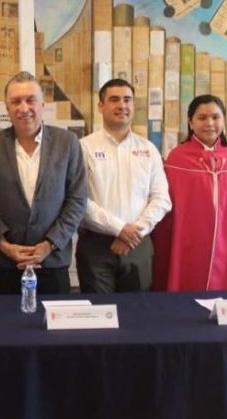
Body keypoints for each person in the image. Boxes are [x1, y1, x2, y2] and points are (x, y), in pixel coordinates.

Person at [0, 71, 87, 294]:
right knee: (3, 317)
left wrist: (49, 245)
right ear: (7, 107)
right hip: (6, 264)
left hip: (53, 261)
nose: (24, 108)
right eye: (16, 101)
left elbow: (77, 201)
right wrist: (5, 246)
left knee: (53, 317)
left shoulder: (67, 143)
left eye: (31, 100)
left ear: (43, 104)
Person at [153, 94, 227, 291]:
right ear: (190, 122)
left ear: (223, 121)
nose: (209, 123)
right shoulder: (177, 158)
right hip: (189, 239)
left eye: (216, 117)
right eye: (202, 118)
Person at [77, 79, 171, 293]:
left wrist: (133, 233)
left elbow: (162, 199)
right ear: (101, 106)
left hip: (138, 244)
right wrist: (119, 229)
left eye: (127, 100)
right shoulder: (83, 147)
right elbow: (79, 200)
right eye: (114, 99)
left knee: (138, 310)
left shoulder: (148, 149)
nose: (122, 105)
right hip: (96, 246)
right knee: (99, 310)